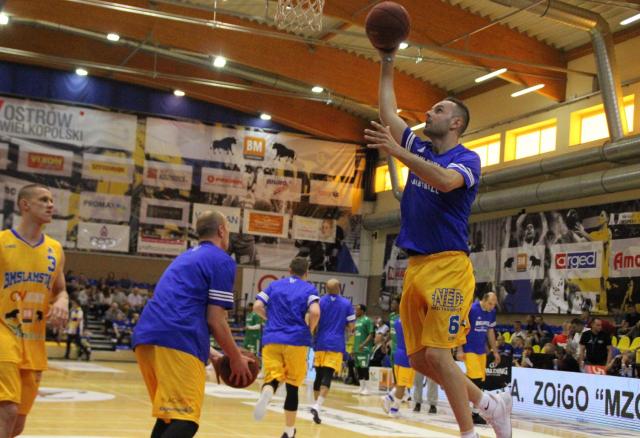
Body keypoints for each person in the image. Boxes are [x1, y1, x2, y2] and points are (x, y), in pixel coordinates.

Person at [366, 52, 511, 438]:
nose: (429, 113)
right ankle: (489, 404)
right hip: (415, 267)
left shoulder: (468, 159)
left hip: (448, 265)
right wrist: (387, 58)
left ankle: (468, 433)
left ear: (456, 123)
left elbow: (446, 182)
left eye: (439, 110)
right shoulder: (421, 148)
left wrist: (398, 153)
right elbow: (387, 113)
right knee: (419, 359)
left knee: (437, 353)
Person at [132, 210, 253, 438]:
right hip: (177, 341)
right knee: (186, 421)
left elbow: (179, 310)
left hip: (147, 338)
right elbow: (215, 319)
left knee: (170, 418)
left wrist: (213, 353)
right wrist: (236, 357)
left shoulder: (185, 258)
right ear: (221, 230)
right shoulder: (221, 260)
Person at [0, 184, 69, 437]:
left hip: (34, 342)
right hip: (4, 334)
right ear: (25, 205)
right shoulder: (2, 242)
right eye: (43, 200)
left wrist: (62, 301)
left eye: (51, 200)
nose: (51, 205)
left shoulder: (55, 249)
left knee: (17, 424)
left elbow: (60, 290)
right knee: (6, 410)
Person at [252, 257, 320, 438]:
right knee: (292, 386)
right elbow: (315, 312)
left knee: (273, 377)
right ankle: (289, 430)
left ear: (289, 270)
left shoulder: (274, 285)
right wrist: (310, 329)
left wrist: (270, 319)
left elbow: (257, 306)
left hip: (272, 338)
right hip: (296, 339)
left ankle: (268, 391)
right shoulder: (309, 289)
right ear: (307, 273)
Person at [310, 278, 355, 425]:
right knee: (327, 376)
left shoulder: (319, 302)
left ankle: (316, 405)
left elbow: (313, 320)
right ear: (339, 288)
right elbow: (351, 327)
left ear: (326, 288)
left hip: (320, 343)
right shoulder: (346, 304)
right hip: (335, 344)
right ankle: (317, 406)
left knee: (318, 376)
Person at [457, 292, 500, 425]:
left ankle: (475, 413)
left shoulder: (491, 312)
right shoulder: (472, 309)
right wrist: (459, 349)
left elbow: (490, 331)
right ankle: (464, 409)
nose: (492, 307)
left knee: (480, 382)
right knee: (474, 379)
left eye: (494, 304)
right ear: (484, 300)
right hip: (469, 348)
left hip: (481, 350)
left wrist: (495, 352)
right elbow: (460, 329)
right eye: (490, 304)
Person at [382, 317, 414, 417]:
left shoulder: (397, 320)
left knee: (401, 383)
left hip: (398, 352)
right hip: (407, 355)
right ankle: (393, 408)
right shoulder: (412, 320)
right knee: (402, 384)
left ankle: (390, 399)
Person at [353, 304, 374, 395]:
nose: (356, 311)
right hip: (357, 349)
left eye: (357, 310)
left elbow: (371, 334)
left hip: (364, 349)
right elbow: (356, 335)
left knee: (364, 368)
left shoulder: (367, 320)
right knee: (358, 368)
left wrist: (363, 344)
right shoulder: (357, 321)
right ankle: (361, 387)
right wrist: (354, 348)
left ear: (362, 311)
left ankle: (368, 389)